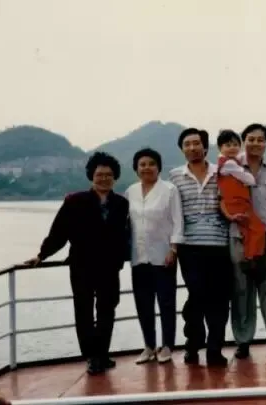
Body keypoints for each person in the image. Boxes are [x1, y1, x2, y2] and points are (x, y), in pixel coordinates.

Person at [24, 152, 130, 375]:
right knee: (83, 311)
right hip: (82, 265)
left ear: (115, 177)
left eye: (109, 175)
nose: (104, 179)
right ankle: (91, 357)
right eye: (99, 174)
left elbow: (125, 235)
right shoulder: (75, 201)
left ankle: (102, 354)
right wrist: (42, 255)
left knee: (107, 310)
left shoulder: (121, 204)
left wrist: (123, 257)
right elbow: (58, 232)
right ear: (91, 176)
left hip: (110, 267)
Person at [168, 128, 233, 367]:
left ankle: (215, 349)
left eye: (196, 143)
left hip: (220, 245)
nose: (192, 148)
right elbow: (171, 214)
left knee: (220, 299)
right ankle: (193, 343)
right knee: (197, 295)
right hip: (190, 246)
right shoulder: (175, 177)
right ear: (182, 149)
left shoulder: (222, 172)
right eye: (187, 144)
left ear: (205, 147)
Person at [229, 123, 266, 359]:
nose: (255, 143)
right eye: (251, 139)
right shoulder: (230, 168)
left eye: (260, 140)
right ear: (243, 141)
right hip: (239, 236)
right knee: (241, 289)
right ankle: (243, 340)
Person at [125, 148, 183, 365]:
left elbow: (178, 221)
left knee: (166, 303)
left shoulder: (169, 190)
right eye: (142, 164)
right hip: (139, 256)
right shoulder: (130, 191)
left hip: (164, 256)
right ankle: (149, 346)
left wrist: (173, 249)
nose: (146, 168)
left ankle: (167, 346)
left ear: (158, 167)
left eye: (151, 164)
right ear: (136, 169)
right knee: (143, 303)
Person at [216, 129, 266, 278]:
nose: (232, 148)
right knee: (258, 228)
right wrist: (248, 177)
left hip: (234, 204)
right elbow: (250, 180)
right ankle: (252, 257)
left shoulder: (224, 163)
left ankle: (249, 258)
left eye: (235, 145)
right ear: (220, 148)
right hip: (237, 204)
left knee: (247, 231)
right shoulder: (230, 163)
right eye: (228, 145)